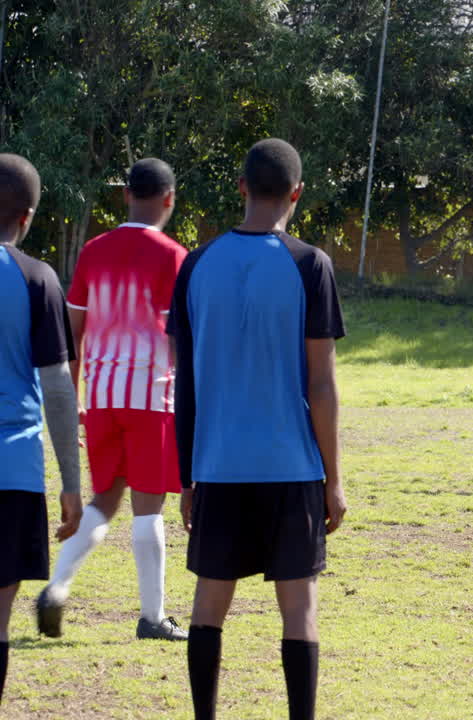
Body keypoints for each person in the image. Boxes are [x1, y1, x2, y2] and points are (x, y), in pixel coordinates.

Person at [168, 138, 346, 720]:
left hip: (217, 465)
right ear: (297, 194)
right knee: (299, 609)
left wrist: (187, 478)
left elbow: (185, 385)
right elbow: (321, 384)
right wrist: (334, 480)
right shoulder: (309, 265)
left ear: (241, 187)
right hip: (292, 467)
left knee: (207, 607)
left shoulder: (195, 264)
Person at [38, 158, 189, 641]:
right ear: (169, 199)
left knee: (104, 499)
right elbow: (182, 339)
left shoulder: (93, 250)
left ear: (125, 195)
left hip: (101, 398)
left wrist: (79, 399)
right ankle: (152, 617)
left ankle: (57, 586)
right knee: (149, 507)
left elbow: (72, 333)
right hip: (151, 396)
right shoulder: (174, 256)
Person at [0, 153, 81, 705]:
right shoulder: (37, 278)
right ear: (28, 217)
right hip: (14, 473)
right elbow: (57, 388)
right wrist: (72, 484)